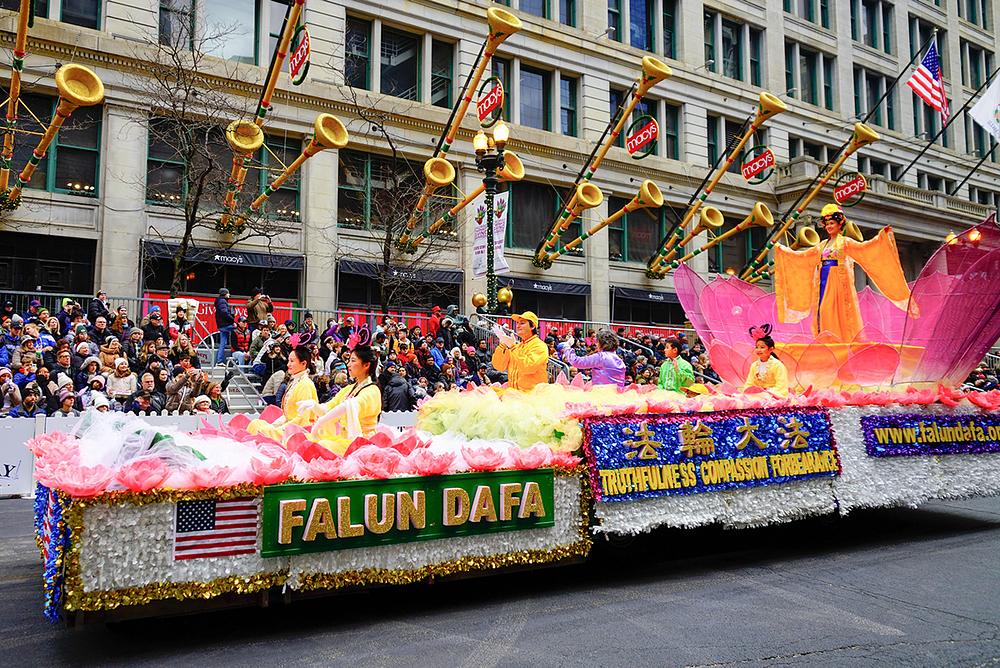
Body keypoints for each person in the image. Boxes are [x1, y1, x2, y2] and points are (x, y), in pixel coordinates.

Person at [774, 203, 915, 342]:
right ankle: (826, 341)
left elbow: (865, 249)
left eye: (832, 223)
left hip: (839, 284)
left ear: (839, 224)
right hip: (823, 282)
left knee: (840, 312)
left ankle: (840, 341)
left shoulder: (845, 242)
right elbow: (804, 257)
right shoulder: (822, 245)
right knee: (824, 311)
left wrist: (880, 238)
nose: (829, 226)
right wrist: (784, 251)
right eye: (827, 223)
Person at [307, 345, 382, 455]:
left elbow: (351, 405)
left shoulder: (372, 391)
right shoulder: (349, 388)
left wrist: (323, 420)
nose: (348, 364)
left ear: (366, 365)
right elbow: (329, 407)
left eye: (353, 360)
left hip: (362, 444)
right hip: (345, 441)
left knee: (322, 446)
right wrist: (314, 405)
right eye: (349, 360)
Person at [247, 344, 318, 442]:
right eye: (288, 360)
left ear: (303, 363)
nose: (288, 364)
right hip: (289, 427)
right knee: (256, 424)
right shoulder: (295, 382)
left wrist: (278, 429)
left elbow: (302, 420)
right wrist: (274, 426)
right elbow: (286, 416)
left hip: (298, 432)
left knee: (261, 431)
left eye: (292, 361)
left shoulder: (305, 384)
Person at [490, 311, 549, 392]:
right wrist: (503, 345)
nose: (518, 326)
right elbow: (499, 366)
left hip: (533, 396)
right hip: (515, 395)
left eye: (522, 323)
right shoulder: (517, 347)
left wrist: (512, 347)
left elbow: (528, 367)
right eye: (517, 323)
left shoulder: (539, 346)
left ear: (532, 326)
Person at [557, 328, 626, 387]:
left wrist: (567, 347)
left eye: (597, 342)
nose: (596, 344)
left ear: (601, 343)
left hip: (602, 395)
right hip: (618, 395)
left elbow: (577, 362)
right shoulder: (619, 359)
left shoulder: (601, 357)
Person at [742, 325, 790, 398]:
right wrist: (747, 392)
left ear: (771, 349)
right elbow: (749, 383)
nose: (758, 350)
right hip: (757, 395)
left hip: (773, 396)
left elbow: (781, 386)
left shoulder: (777, 365)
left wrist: (768, 392)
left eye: (762, 347)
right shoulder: (754, 365)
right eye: (757, 347)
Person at [214, 288, 235, 365]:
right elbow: (224, 313)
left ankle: (219, 361)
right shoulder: (222, 301)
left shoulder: (220, 301)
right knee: (240, 328)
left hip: (222, 325)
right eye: (228, 293)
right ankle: (237, 349)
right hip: (225, 324)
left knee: (223, 343)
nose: (229, 295)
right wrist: (232, 321)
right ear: (225, 294)